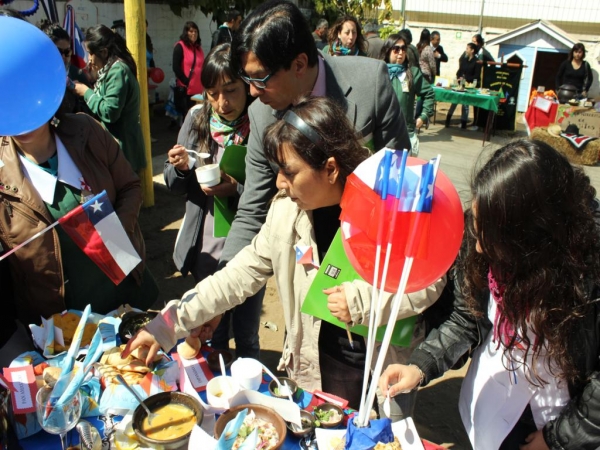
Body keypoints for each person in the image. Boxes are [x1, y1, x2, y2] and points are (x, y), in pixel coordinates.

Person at [124, 96, 440, 411]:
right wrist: (168, 324)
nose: (280, 183)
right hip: (313, 363)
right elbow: (238, 276)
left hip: (378, 367)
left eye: (289, 172)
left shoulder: (392, 202)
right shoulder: (286, 214)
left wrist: (362, 301)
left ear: (330, 169)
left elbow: (429, 282)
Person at [221, 0, 410, 373]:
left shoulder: (370, 84)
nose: (253, 92)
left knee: (372, 375)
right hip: (308, 256)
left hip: (369, 264)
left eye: (260, 79)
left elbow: (402, 186)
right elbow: (253, 207)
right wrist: (224, 290)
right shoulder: (261, 114)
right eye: (248, 81)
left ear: (299, 64)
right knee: (317, 365)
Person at [381, 139, 600, 449]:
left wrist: (558, 438)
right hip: (496, 404)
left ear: (532, 236)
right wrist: (421, 365)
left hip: (561, 416)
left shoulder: (589, 272)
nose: (480, 245)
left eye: (492, 235)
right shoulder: (483, 234)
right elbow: (468, 318)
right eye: (477, 224)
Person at [164, 43, 255, 357]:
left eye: (230, 90)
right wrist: (181, 168)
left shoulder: (260, 125)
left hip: (249, 248)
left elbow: (271, 193)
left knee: (246, 334)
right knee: (210, 331)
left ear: (246, 85)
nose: (221, 102)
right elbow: (173, 184)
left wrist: (237, 189)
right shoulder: (196, 119)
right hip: (204, 245)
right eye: (212, 93)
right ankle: (217, 393)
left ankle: (246, 393)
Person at [72, 24, 146, 173]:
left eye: (90, 54)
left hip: (123, 149)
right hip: (116, 146)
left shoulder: (118, 71)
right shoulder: (110, 69)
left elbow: (110, 112)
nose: (89, 59)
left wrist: (86, 92)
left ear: (104, 52)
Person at [381, 34, 434, 156]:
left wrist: (423, 116)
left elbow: (429, 93)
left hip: (406, 133)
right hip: (383, 133)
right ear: (388, 50)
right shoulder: (380, 71)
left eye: (403, 49)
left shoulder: (412, 73)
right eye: (396, 49)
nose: (400, 52)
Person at [40, 21, 91, 115]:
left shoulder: (77, 75)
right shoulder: (36, 77)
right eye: (58, 52)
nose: (63, 57)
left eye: (67, 52)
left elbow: (89, 113)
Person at [172, 21, 205, 118]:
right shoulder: (180, 46)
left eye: (195, 31)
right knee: (188, 118)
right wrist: (186, 82)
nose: (194, 33)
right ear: (186, 32)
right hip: (187, 91)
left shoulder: (199, 48)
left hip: (199, 91)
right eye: (191, 31)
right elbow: (175, 67)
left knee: (198, 118)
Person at [445, 43, 479, 129]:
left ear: (472, 50)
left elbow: (476, 76)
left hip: (469, 86)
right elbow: (459, 71)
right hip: (460, 85)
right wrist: (459, 77)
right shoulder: (464, 60)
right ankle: (448, 120)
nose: (466, 50)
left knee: (465, 105)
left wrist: (466, 78)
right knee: (454, 102)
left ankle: (463, 123)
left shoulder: (476, 62)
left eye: (468, 48)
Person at [415, 29, 436, 122]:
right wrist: (434, 73)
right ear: (429, 37)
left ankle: (418, 115)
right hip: (426, 74)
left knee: (420, 95)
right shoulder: (428, 49)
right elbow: (432, 64)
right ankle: (420, 116)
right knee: (426, 96)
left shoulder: (418, 47)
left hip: (418, 73)